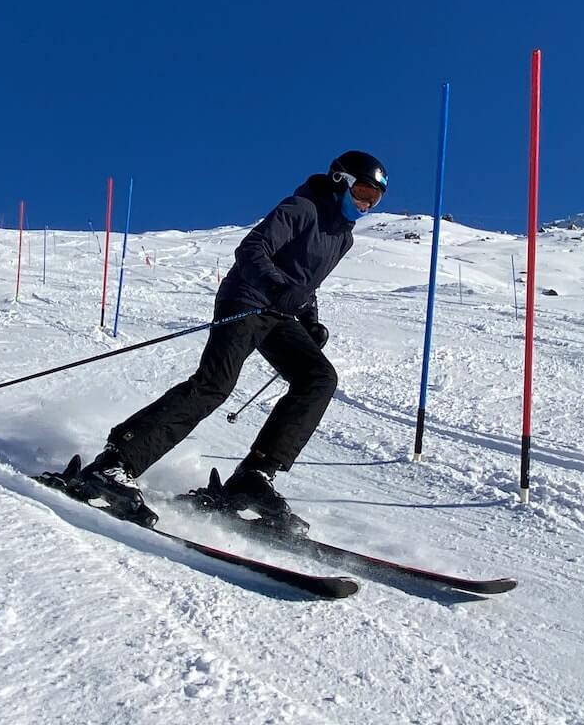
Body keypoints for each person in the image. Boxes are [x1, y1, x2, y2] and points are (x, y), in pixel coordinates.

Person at [69, 150, 388, 533]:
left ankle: (252, 479)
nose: (367, 204)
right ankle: (114, 464)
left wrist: (310, 320)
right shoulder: (302, 207)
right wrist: (277, 287)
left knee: (318, 378)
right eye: (364, 192)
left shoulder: (343, 237)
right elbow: (252, 250)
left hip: (278, 313)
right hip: (245, 299)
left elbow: (307, 283)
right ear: (341, 181)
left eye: (375, 198)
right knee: (214, 385)